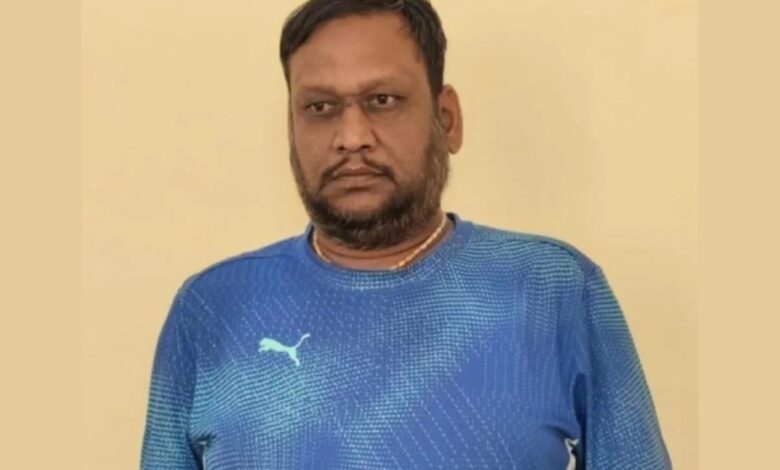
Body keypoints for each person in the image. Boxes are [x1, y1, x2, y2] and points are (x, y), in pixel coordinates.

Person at [140, 0, 672, 468]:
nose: (352, 137)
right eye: (320, 108)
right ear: (291, 129)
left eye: (383, 100)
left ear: (447, 119)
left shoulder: (553, 290)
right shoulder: (212, 310)